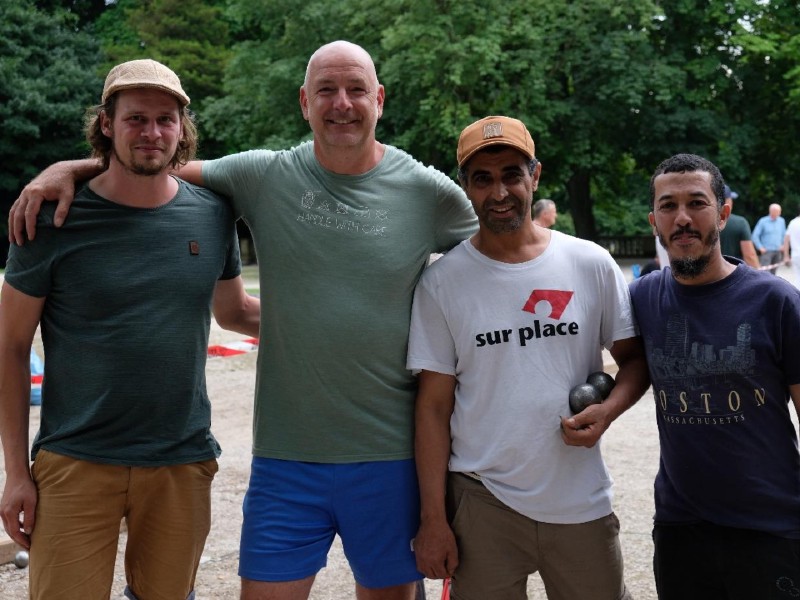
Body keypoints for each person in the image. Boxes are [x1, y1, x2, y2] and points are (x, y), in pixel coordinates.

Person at [8, 41, 477, 600]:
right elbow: (152, 164)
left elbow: (502, 252)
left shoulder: (429, 193)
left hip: (384, 453)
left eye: (356, 90)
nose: (342, 103)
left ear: (379, 98)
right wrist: (68, 167)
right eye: (326, 90)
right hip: (278, 458)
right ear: (305, 102)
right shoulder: (262, 175)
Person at [0, 59, 260, 600]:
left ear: (182, 129)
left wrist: (341, 312)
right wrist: (16, 473)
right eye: (135, 119)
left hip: (181, 461)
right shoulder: (50, 218)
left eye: (166, 120)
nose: (152, 133)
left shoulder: (212, 215)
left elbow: (235, 313)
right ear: (106, 125)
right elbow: (10, 346)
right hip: (74, 460)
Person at [408, 116, 650, 599]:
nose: (499, 192)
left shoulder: (588, 263)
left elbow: (635, 361)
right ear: (466, 188)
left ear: (534, 176)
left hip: (579, 499)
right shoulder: (442, 283)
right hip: (482, 502)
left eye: (512, 175)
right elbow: (433, 407)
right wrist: (433, 519)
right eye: (483, 178)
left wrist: (608, 410)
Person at [629, 153, 800, 600]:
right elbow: (625, 366)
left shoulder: (776, 301)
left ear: (723, 213)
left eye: (697, 203)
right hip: (680, 528)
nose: (682, 218)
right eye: (668, 206)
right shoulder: (643, 297)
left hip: (772, 527)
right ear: (654, 220)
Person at [718, 184, 759, 268]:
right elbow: (749, 255)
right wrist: (759, 275)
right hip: (734, 274)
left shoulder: (701, 220)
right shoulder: (740, 223)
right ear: (727, 201)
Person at [752, 202, 786, 274]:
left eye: (780, 211)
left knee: (774, 273)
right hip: (766, 251)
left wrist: (783, 245)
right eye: (778, 212)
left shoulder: (781, 221)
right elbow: (755, 235)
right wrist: (760, 247)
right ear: (771, 211)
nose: (779, 213)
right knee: (764, 273)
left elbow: (784, 235)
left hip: (778, 251)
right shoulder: (763, 221)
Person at [784, 205, 800, 289]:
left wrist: (786, 256)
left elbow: (786, 240)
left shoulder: (793, 222)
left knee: (798, 278)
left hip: (796, 255)